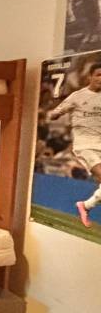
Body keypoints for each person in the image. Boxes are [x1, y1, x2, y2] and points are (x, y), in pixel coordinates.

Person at [50, 63, 101, 227]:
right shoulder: (78, 96)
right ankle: (85, 206)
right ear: (90, 77)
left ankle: (85, 206)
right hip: (85, 145)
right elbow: (54, 113)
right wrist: (56, 114)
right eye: (99, 75)